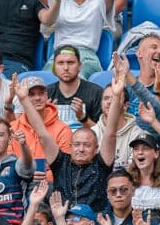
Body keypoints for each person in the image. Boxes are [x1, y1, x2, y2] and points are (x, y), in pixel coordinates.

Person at [14, 72, 122, 212]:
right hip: (63, 222)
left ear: (96, 149)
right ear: (70, 147)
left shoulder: (102, 164)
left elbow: (111, 133)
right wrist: (24, 100)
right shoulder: (61, 163)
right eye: (76, 145)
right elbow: (42, 133)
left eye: (87, 145)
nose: (81, 149)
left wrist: (117, 96)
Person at [8, 76, 71, 183]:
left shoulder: (62, 129)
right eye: (31, 94)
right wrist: (27, 175)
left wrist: (46, 177)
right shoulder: (14, 127)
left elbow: (66, 165)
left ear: (46, 95)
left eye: (41, 93)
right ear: (23, 98)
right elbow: (9, 162)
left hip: (52, 184)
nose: (37, 98)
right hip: (21, 183)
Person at [47, 45, 103, 132]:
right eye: (60, 63)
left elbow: (102, 132)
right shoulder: (46, 93)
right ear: (54, 66)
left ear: (80, 66)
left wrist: (83, 118)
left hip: (84, 144)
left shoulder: (96, 92)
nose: (65, 68)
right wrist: (45, 118)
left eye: (70, 63)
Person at [128, 133, 160, 216]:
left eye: (145, 148)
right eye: (136, 149)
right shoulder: (126, 180)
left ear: (156, 154)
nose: (140, 152)